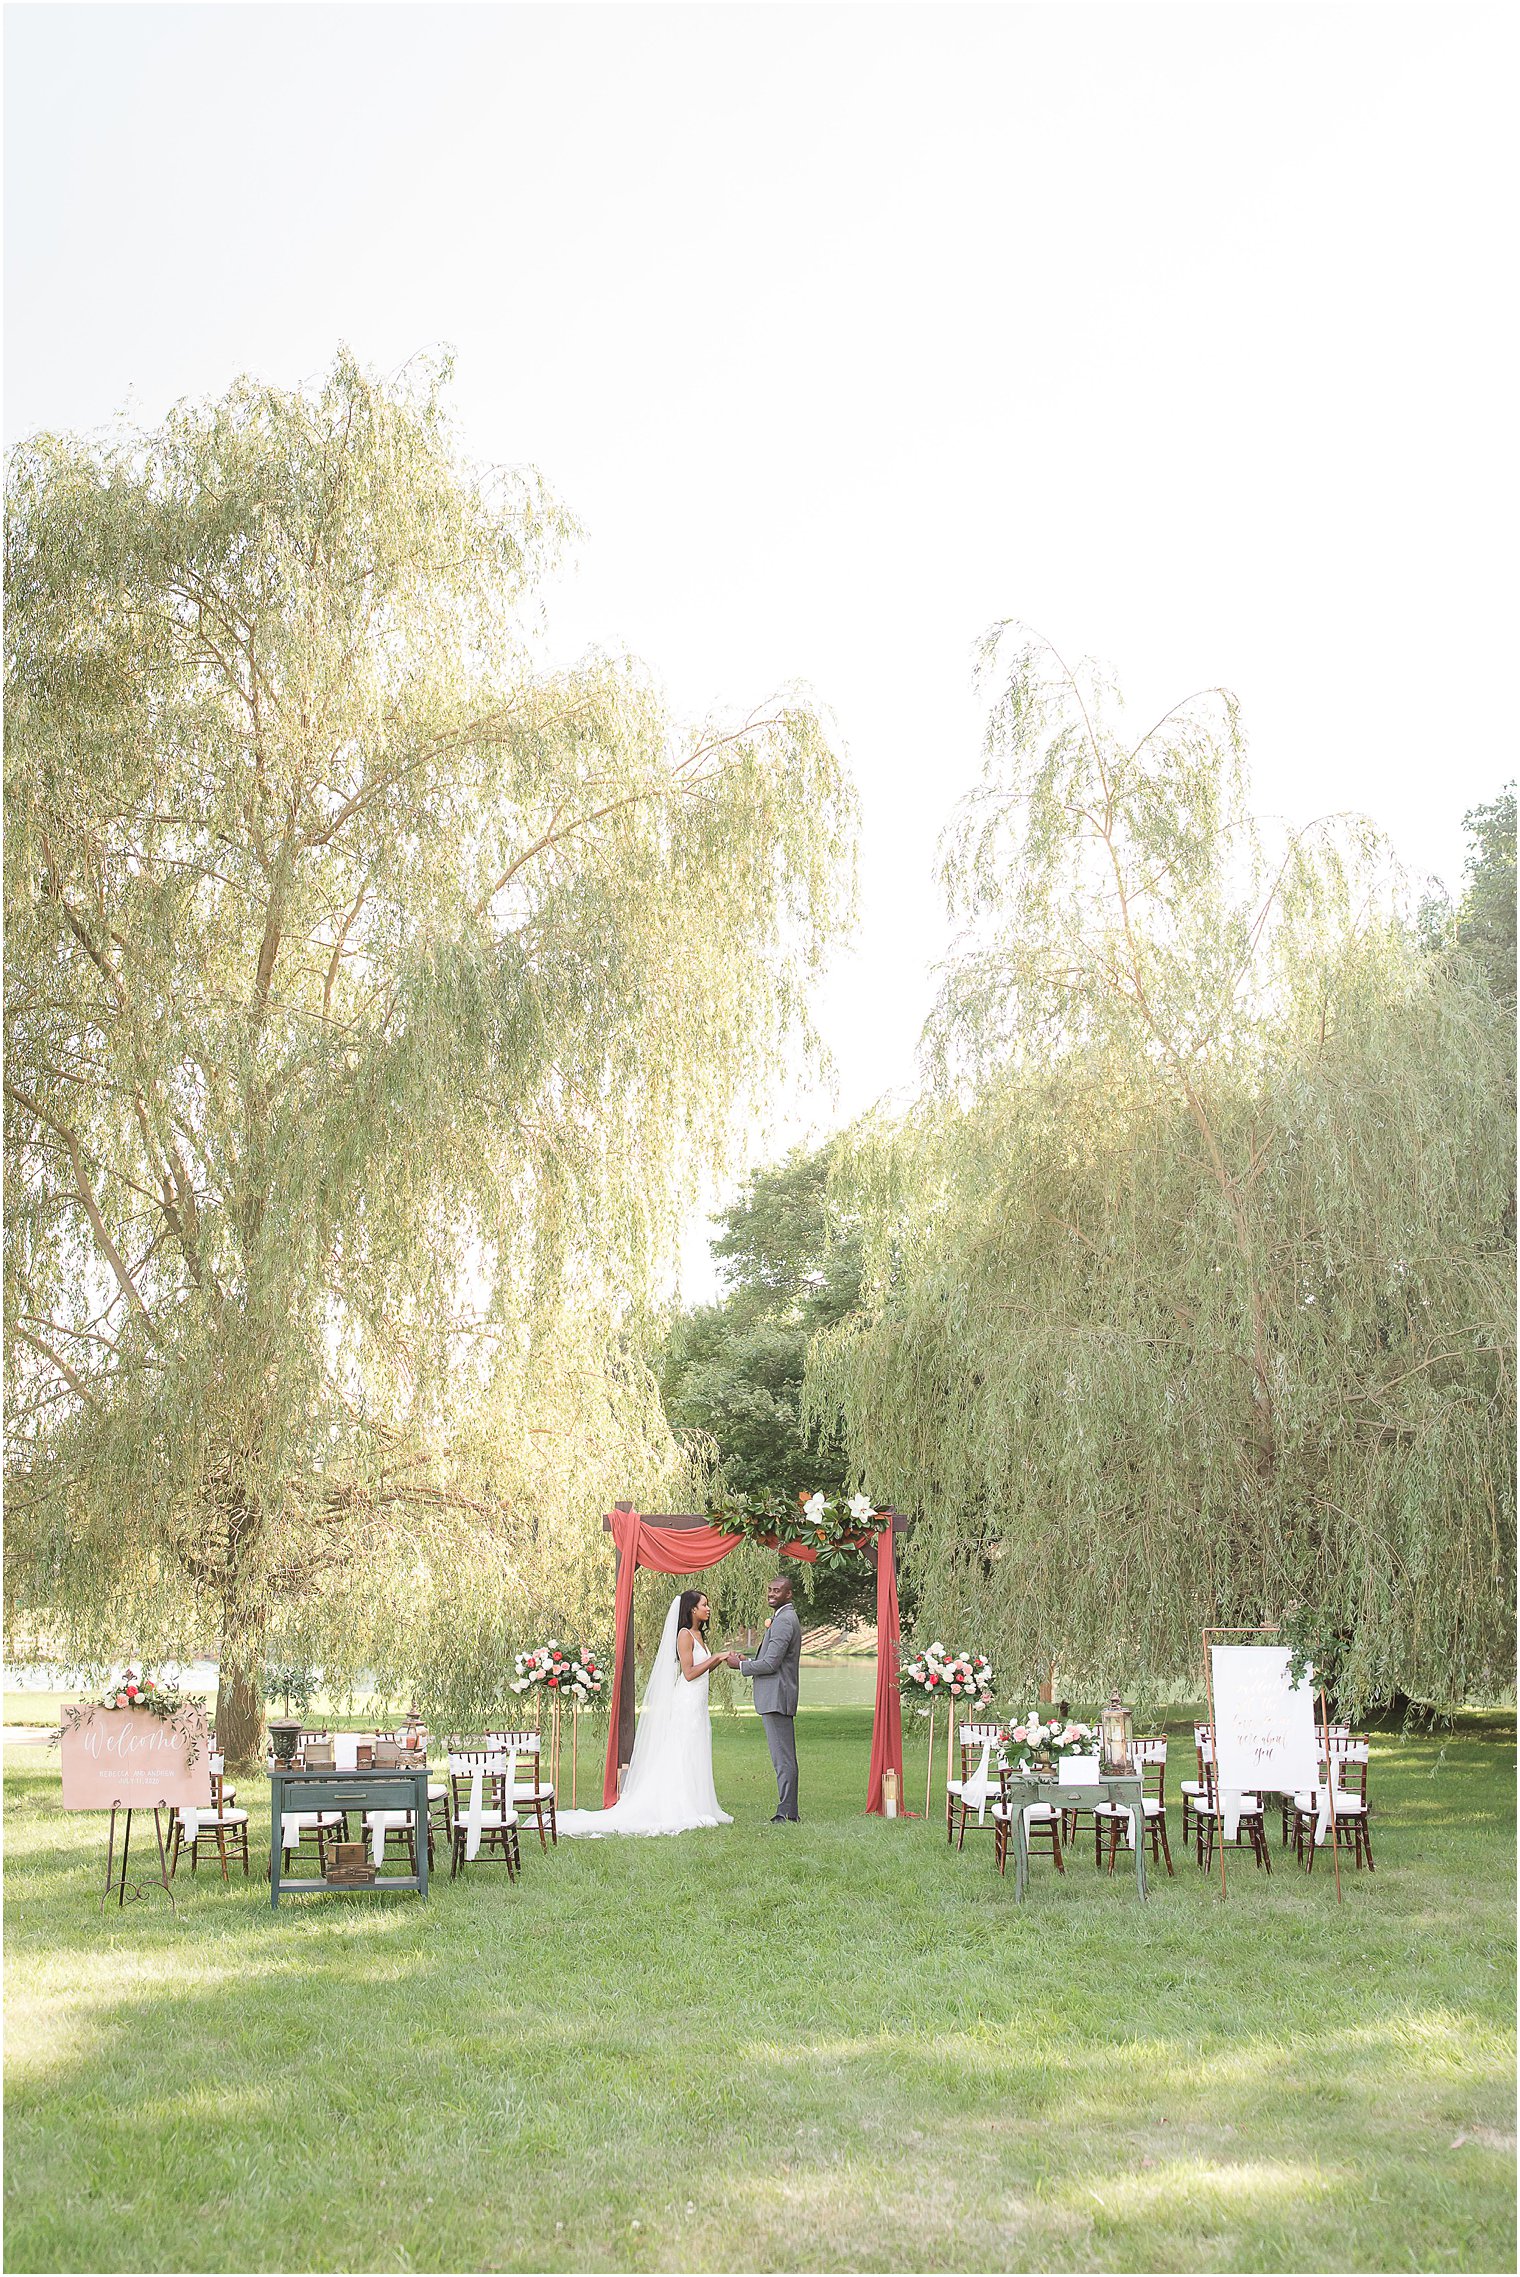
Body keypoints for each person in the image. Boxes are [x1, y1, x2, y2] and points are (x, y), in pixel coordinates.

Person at [555, 1590, 733, 1838]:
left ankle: (699, 1801)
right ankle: (678, 1804)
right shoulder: (684, 1635)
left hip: (698, 1701)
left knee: (696, 1748)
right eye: (705, 1604)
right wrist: (715, 1657)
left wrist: (717, 1661)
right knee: (683, 1748)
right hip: (687, 1700)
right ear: (692, 1609)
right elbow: (689, 1673)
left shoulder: (699, 1634)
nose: (708, 1608)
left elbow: (701, 1672)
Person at [726, 1573, 803, 1822]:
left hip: (777, 1696)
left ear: (789, 1594)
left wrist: (740, 1667)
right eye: (769, 1589)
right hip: (775, 1695)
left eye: (777, 1590)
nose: (771, 1594)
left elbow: (771, 1663)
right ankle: (788, 1810)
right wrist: (748, 1660)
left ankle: (787, 1813)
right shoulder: (782, 1618)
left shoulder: (784, 1620)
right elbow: (770, 1659)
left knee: (783, 1758)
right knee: (782, 1757)